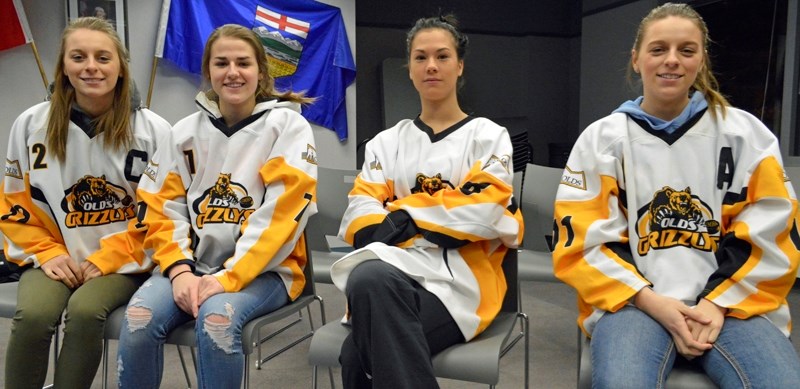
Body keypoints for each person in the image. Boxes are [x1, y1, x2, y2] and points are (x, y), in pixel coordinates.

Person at [552, 3, 800, 388]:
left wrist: (715, 302)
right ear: (636, 60)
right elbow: (583, 243)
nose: (672, 60)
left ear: (701, 60)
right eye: (658, 49)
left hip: (732, 306)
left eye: (687, 50)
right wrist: (655, 303)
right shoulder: (602, 140)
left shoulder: (746, 135)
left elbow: (775, 230)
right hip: (634, 306)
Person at [116, 24, 317, 389]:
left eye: (244, 62)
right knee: (139, 319)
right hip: (193, 265)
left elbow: (282, 217)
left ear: (261, 70)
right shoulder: (184, 132)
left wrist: (228, 277)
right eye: (221, 63)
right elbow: (162, 207)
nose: (233, 72)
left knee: (217, 323)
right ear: (208, 71)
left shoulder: (287, 126)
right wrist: (179, 271)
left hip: (267, 273)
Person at [329, 15, 523, 388]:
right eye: (420, 57)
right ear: (410, 68)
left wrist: (400, 215)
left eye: (442, 56)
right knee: (369, 277)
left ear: (459, 65)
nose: (431, 66)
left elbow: (483, 210)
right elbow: (359, 217)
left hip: (464, 287)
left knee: (356, 354)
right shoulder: (386, 143)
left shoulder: (488, 136)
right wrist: (440, 219)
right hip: (396, 275)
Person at [0, 17, 170, 389]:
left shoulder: (154, 131)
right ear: (63, 65)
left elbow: (164, 216)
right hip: (54, 255)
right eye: (78, 57)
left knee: (85, 311)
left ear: (121, 67)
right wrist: (46, 253)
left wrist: (106, 258)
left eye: (103, 57)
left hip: (123, 262)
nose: (91, 66)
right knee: (33, 316)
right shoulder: (30, 125)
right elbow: (15, 206)